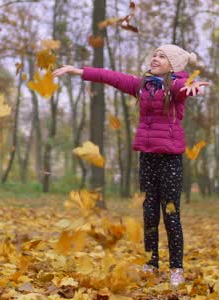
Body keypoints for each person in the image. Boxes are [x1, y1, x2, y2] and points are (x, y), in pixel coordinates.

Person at [53, 44, 210, 288]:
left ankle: (177, 268)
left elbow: (182, 88)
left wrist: (192, 87)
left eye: (162, 56)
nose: (155, 58)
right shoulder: (143, 86)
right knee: (149, 213)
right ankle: (152, 264)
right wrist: (77, 71)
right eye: (155, 54)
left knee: (170, 214)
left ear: (173, 64)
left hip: (170, 158)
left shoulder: (176, 85)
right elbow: (111, 77)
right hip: (147, 156)